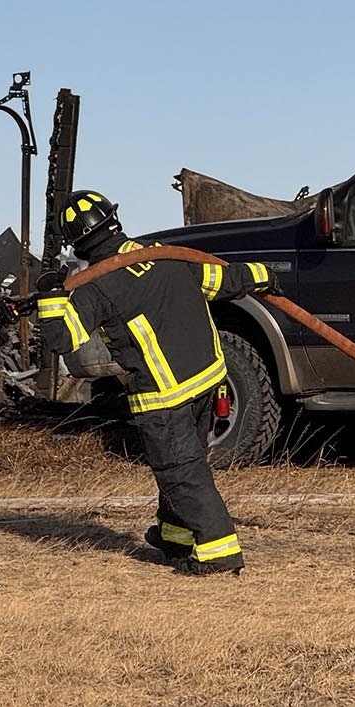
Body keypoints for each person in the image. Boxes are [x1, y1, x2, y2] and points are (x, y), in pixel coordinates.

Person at [35, 190, 278, 575]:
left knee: (180, 472)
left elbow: (62, 339)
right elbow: (224, 280)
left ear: (77, 243)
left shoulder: (96, 289)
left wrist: (49, 297)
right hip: (209, 380)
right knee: (184, 463)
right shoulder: (164, 254)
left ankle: (220, 553)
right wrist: (266, 275)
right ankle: (175, 536)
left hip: (165, 397)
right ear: (115, 221)